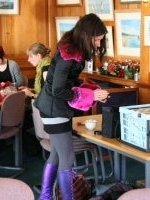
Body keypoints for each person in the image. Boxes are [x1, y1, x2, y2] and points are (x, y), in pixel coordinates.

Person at [34, 13, 109, 200]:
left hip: (53, 109)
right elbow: (59, 91)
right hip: (54, 110)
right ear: (86, 35)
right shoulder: (69, 56)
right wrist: (91, 94)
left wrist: (91, 93)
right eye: (97, 40)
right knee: (67, 158)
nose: (98, 45)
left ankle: (45, 197)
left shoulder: (72, 51)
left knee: (57, 156)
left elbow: (69, 85)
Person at [0, 44, 24, 161]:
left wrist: (7, 86)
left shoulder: (12, 65)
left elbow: (20, 83)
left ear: (3, 56)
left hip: (10, 99)